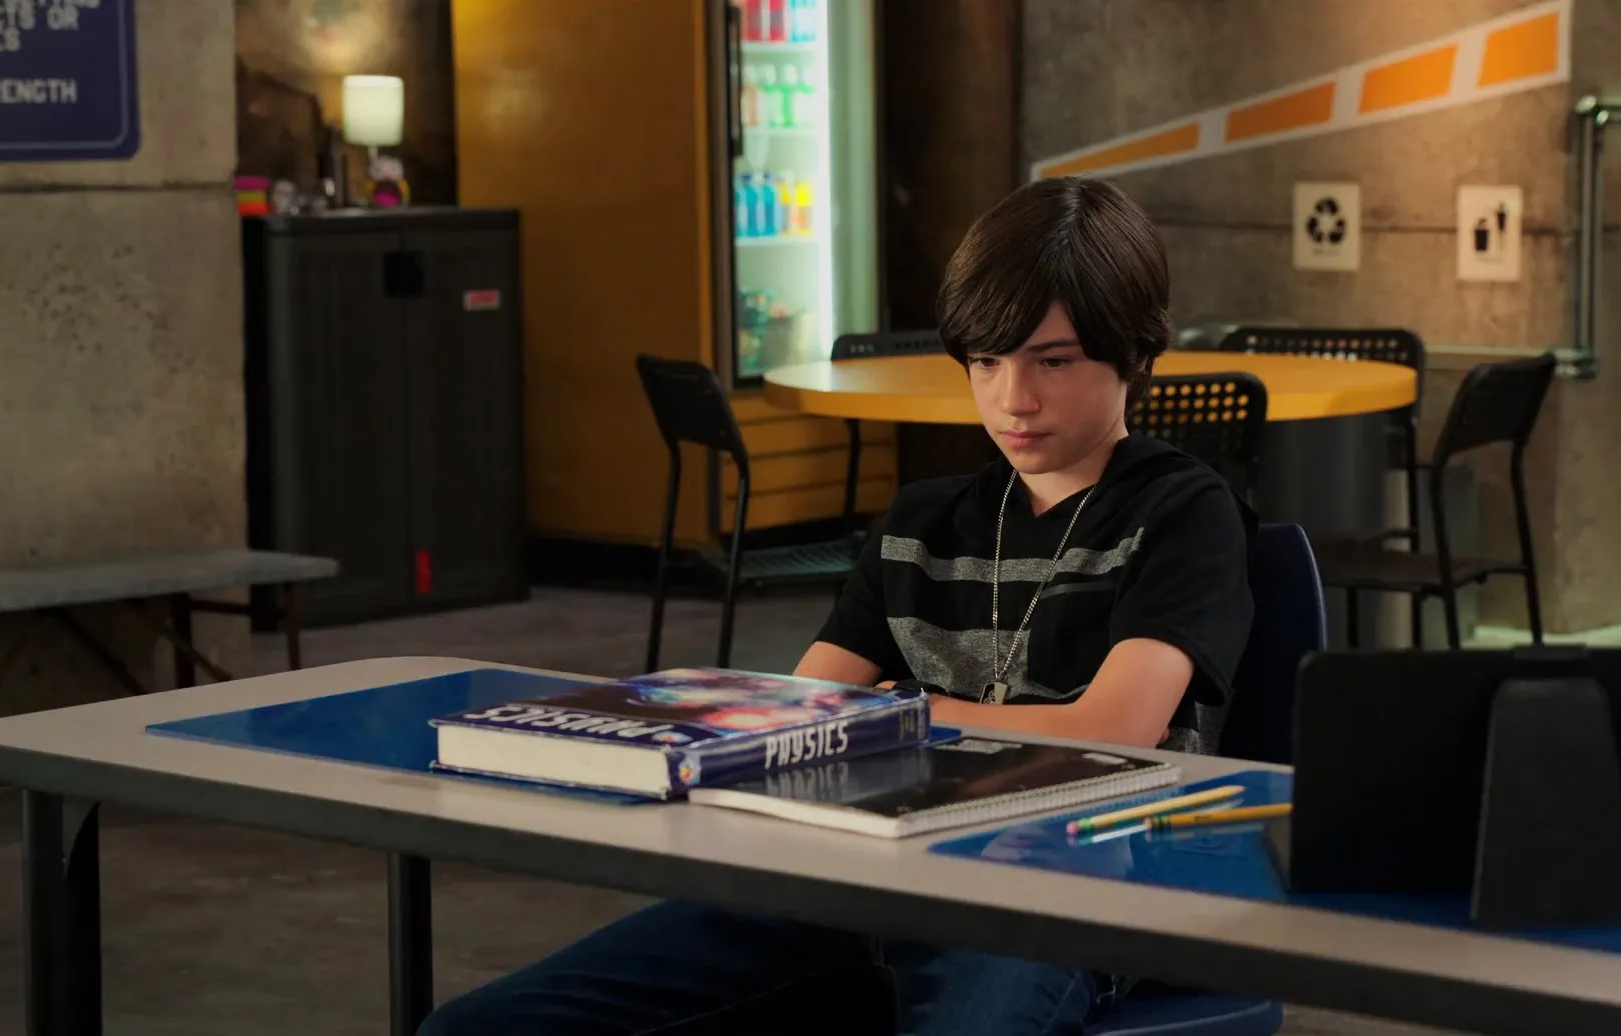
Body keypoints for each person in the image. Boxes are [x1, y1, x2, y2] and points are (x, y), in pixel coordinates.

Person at [418, 176, 1256, 1036]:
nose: (1013, 399)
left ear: (1134, 354)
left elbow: (1114, 730)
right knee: (479, 1029)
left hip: (1071, 882)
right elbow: (803, 708)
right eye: (986, 361)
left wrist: (911, 712)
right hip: (863, 870)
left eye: (1054, 360)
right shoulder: (919, 523)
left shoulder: (1184, 512)